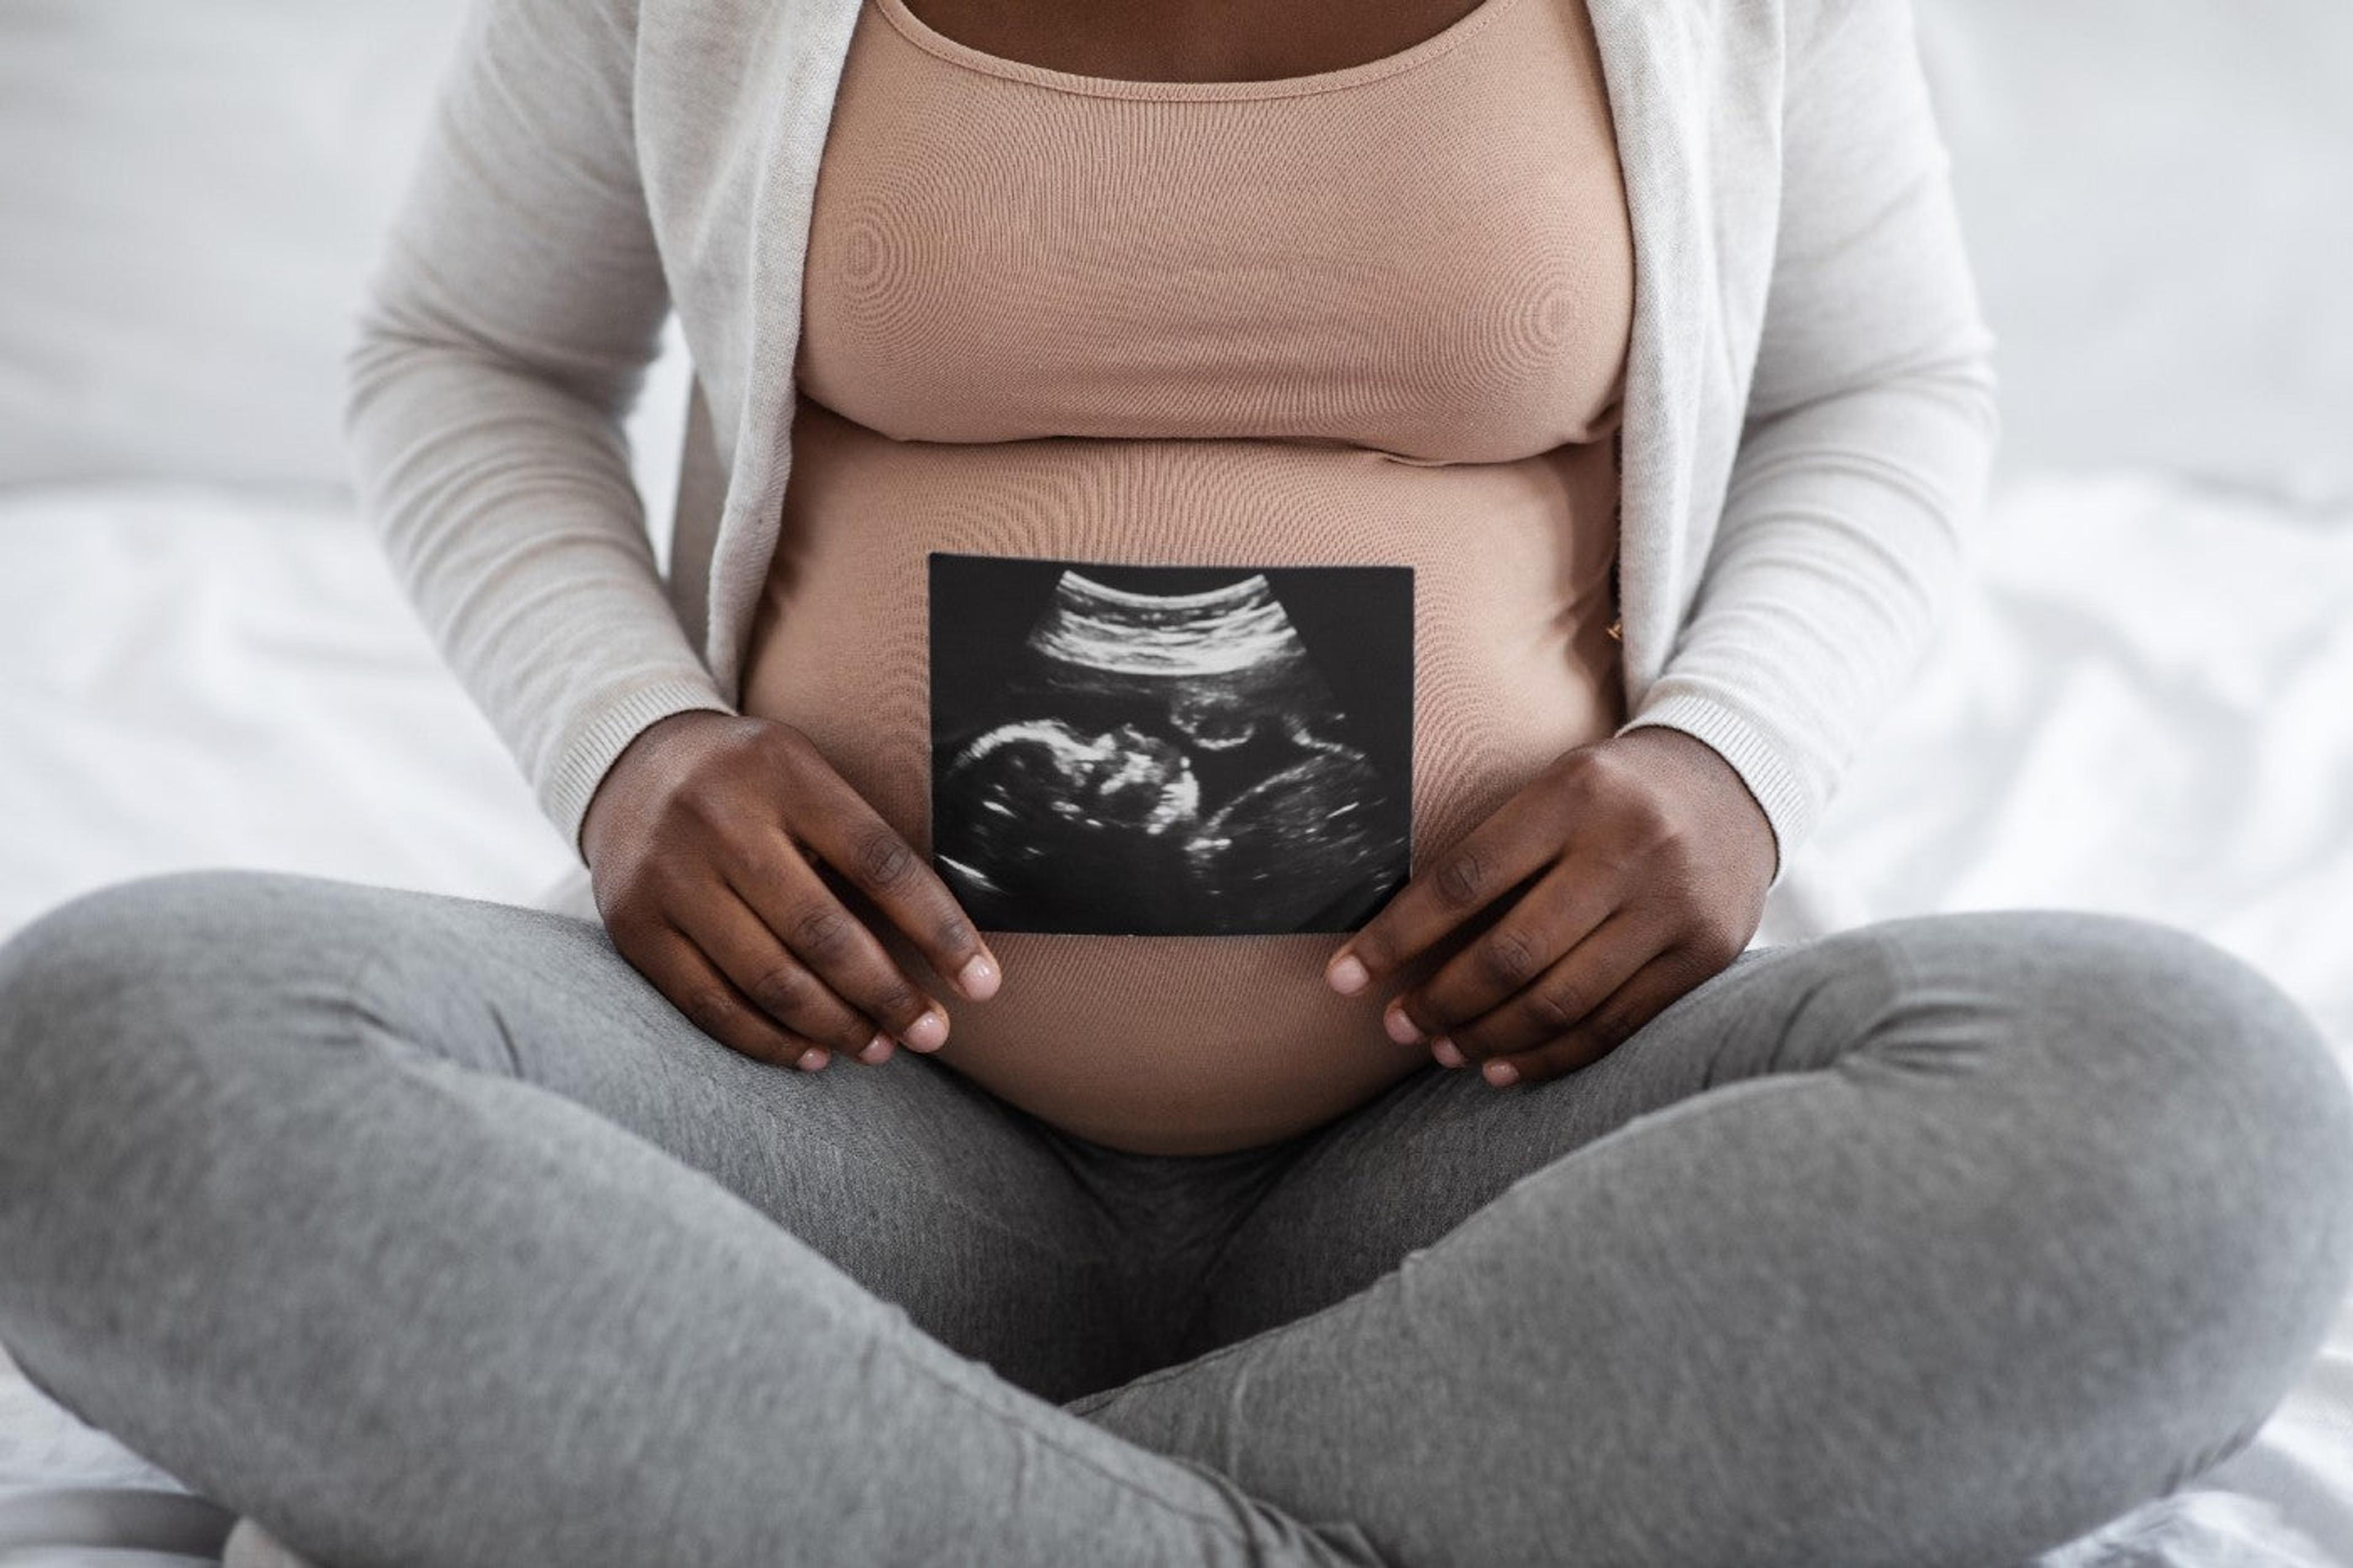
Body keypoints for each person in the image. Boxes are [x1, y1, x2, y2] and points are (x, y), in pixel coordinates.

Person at [3, 0, 2350, 1561]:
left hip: (1503, 1157)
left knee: (2196, 1116)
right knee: (117, 1052)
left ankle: (859, 1489)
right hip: (826, 1125)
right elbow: (468, 352)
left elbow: (1888, 383)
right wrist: (630, 748)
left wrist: (1734, 766)